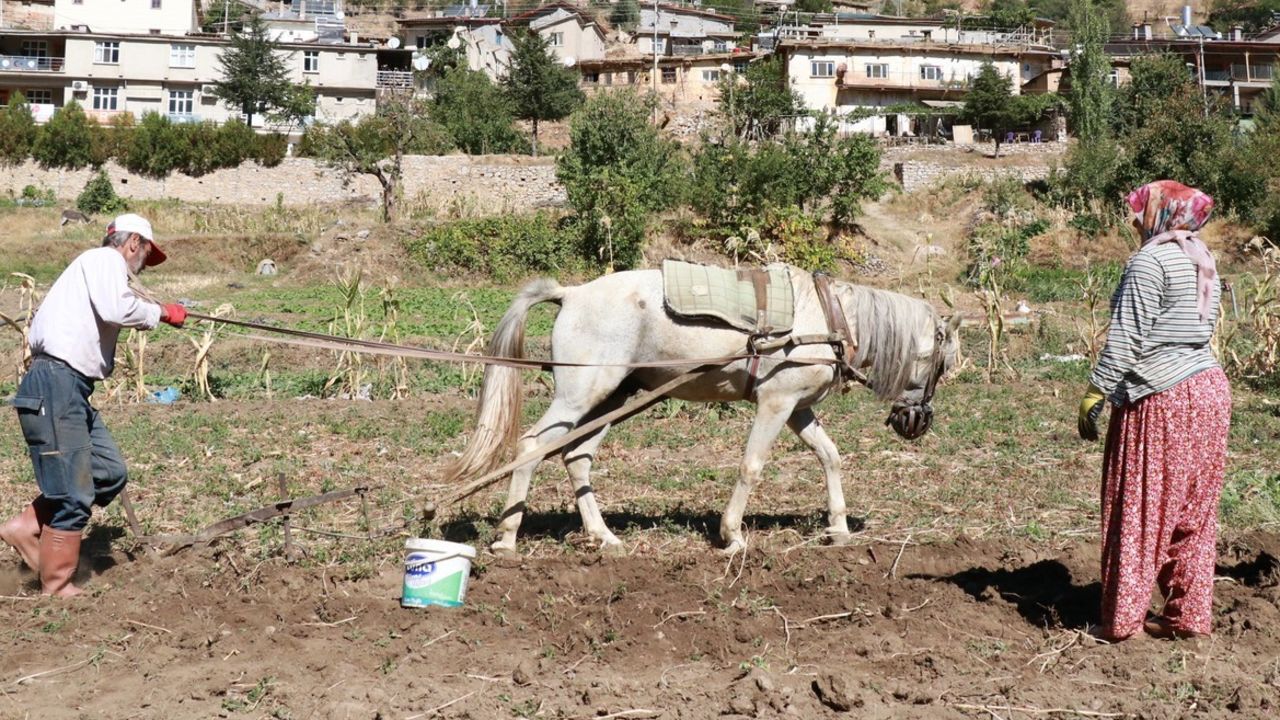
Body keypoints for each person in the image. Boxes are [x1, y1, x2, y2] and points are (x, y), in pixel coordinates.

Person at [0, 214, 186, 596]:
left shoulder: (92, 272)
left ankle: (23, 528)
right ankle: (58, 587)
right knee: (73, 496)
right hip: (56, 382)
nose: (143, 266)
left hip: (71, 386)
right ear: (133, 242)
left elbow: (116, 306)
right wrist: (162, 312)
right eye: (146, 255)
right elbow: (117, 309)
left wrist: (157, 310)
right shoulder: (104, 261)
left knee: (108, 471)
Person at [1078, 180, 1232, 641]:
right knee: (1193, 514)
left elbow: (1127, 336)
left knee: (1141, 510)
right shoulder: (1202, 255)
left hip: (1161, 397)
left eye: (1140, 211)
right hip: (1209, 392)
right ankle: (1186, 618)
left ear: (1159, 215)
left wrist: (1095, 391)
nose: (1133, 220)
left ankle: (1123, 622)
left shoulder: (1149, 260)